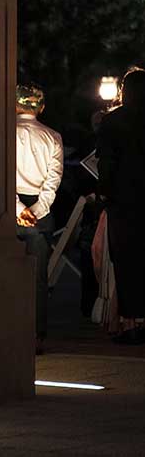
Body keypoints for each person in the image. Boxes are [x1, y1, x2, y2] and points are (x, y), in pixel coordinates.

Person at [96, 68, 145, 344]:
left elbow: (107, 162)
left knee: (126, 261)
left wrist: (104, 193)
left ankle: (131, 322)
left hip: (124, 202)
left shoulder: (113, 122)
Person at [15, 84, 63, 355]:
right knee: (38, 278)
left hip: (10, 208)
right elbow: (53, 179)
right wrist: (38, 208)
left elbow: (1, 172)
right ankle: (36, 336)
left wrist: (17, 207)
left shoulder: (3, 134)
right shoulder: (52, 137)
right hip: (40, 212)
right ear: (41, 108)